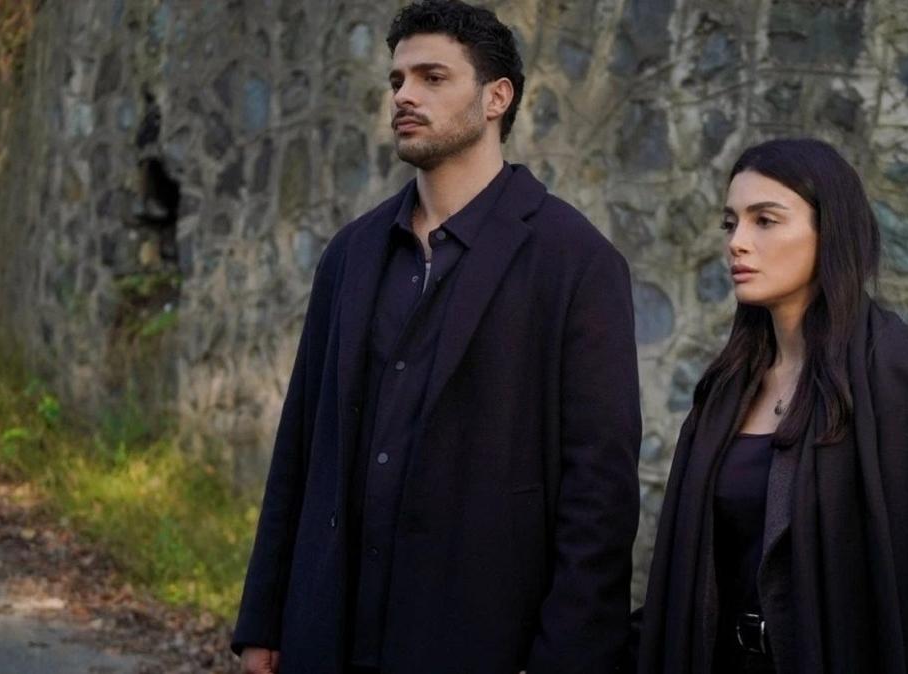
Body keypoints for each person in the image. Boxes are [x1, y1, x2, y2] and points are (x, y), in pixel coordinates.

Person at [232, 2, 641, 672]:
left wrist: (566, 658)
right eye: (397, 80)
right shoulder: (351, 254)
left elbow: (599, 493)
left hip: (480, 641)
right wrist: (264, 622)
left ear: (496, 98)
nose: (404, 96)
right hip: (329, 635)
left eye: (432, 77)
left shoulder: (576, 261)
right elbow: (301, 448)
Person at [634, 138, 908, 674]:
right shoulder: (725, 391)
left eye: (765, 221)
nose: (737, 243)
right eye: (731, 224)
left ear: (831, 233)